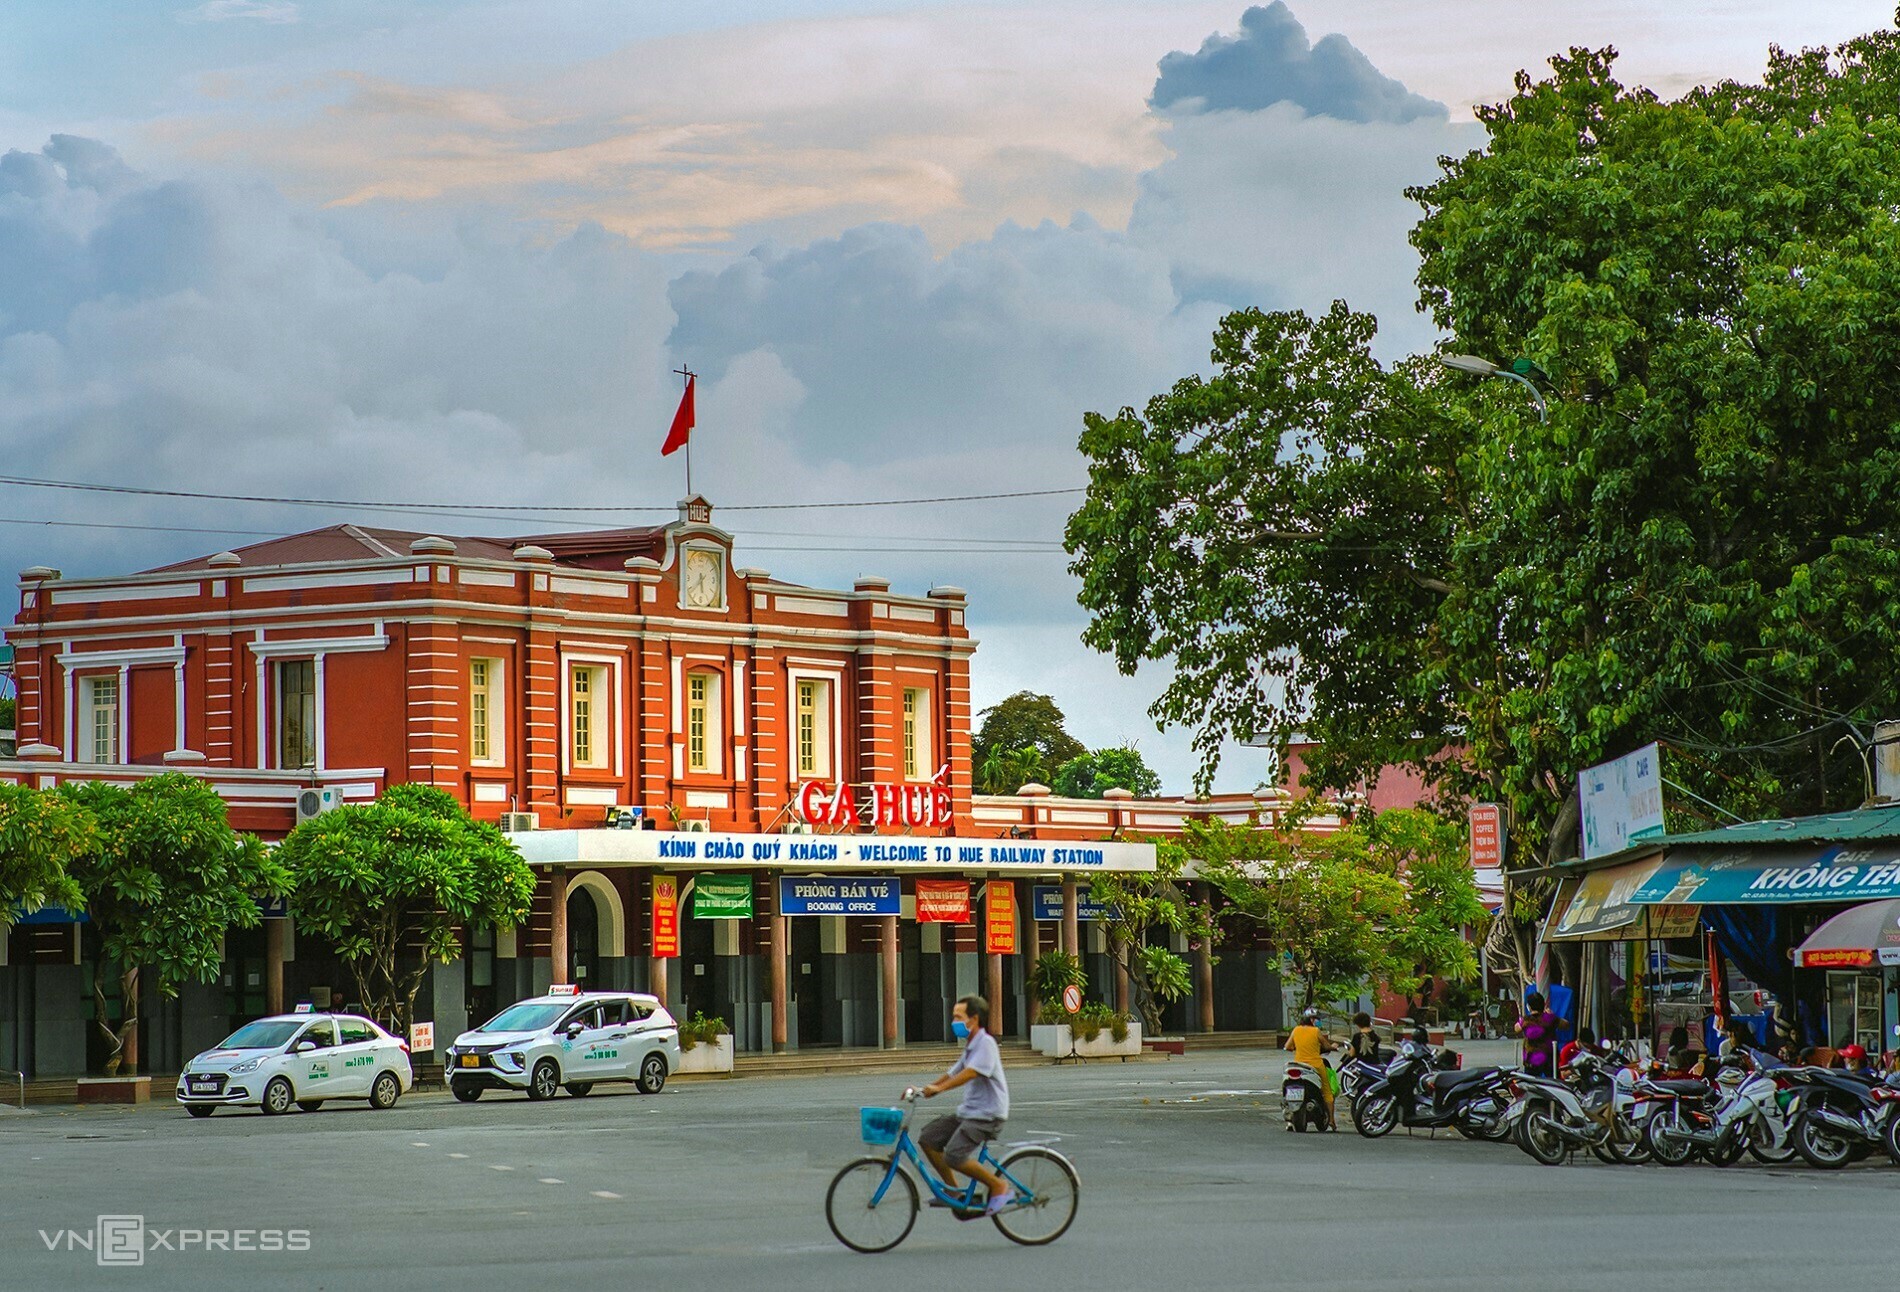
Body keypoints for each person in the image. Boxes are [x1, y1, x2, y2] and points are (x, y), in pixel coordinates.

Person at [913, 995, 1014, 1215]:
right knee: (928, 1138)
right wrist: (925, 1088)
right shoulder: (971, 1045)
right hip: (970, 1113)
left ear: (974, 1019)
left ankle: (999, 1186)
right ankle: (954, 1193)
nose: (954, 1022)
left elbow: (970, 1073)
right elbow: (953, 1071)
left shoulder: (986, 1043)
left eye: (958, 1017)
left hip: (988, 1115)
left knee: (954, 1156)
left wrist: (940, 1089)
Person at [1284, 1007, 1337, 1129]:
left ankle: (1290, 1118)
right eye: (1317, 1019)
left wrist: (1296, 1048)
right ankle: (1332, 1121)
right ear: (1311, 1020)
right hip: (1316, 1065)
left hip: (1299, 1065)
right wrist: (1333, 1046)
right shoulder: (1315, 1031)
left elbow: (1287, 1046)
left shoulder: (1296, 1030)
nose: (1318, 1021)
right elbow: (1326, 1046)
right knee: (1327, 1092)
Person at [1515, 992, 1561, 1078]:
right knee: (1554, 1083)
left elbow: (1516, 1028)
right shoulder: (1550, 1018)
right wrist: (1551, 1014)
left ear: (1529, 1007)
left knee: (1530, 1083)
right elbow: (1566, 1025)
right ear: (1543, 1005)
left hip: (1531, 1059)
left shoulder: (1526, 1020)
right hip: (1549, 1058)